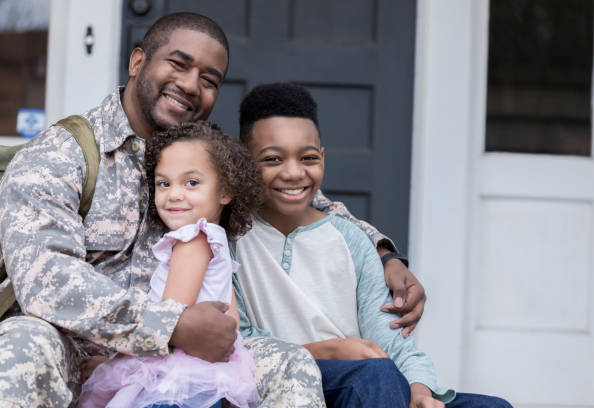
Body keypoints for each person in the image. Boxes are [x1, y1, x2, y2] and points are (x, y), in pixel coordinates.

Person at [0, 11, 422, 407]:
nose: (189, 85)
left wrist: (383, 252)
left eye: (209, 79)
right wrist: (170, 326)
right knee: (23, 342)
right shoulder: (62, 154)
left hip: (190, 351)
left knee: (292, 364)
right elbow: (46, 279)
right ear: (137, 63)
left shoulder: (205, 159)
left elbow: (296, 193)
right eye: (178, 65)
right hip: (78, 351)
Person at [233, 82, 514, 408]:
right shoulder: (231, 238)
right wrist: (334, 350)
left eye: (308, 157)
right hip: (297, 383)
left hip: (372, 384)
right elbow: (242, 341)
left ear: (323, 157)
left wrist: (421, 393)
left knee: (493, 407)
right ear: (245, 163)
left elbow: (392, 344)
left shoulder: (351, 239)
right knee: (373, 375)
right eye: (273, 159)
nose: (294, 173)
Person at [79, 122, 261, 407]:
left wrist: (110, 361)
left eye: (191, 182)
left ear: (225, 191)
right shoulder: (216, 240)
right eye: (164, 183)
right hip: (209, 375)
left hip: (176, 375)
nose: (174, 194)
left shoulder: (191, 241)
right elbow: (231, 322)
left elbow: (168, 318)